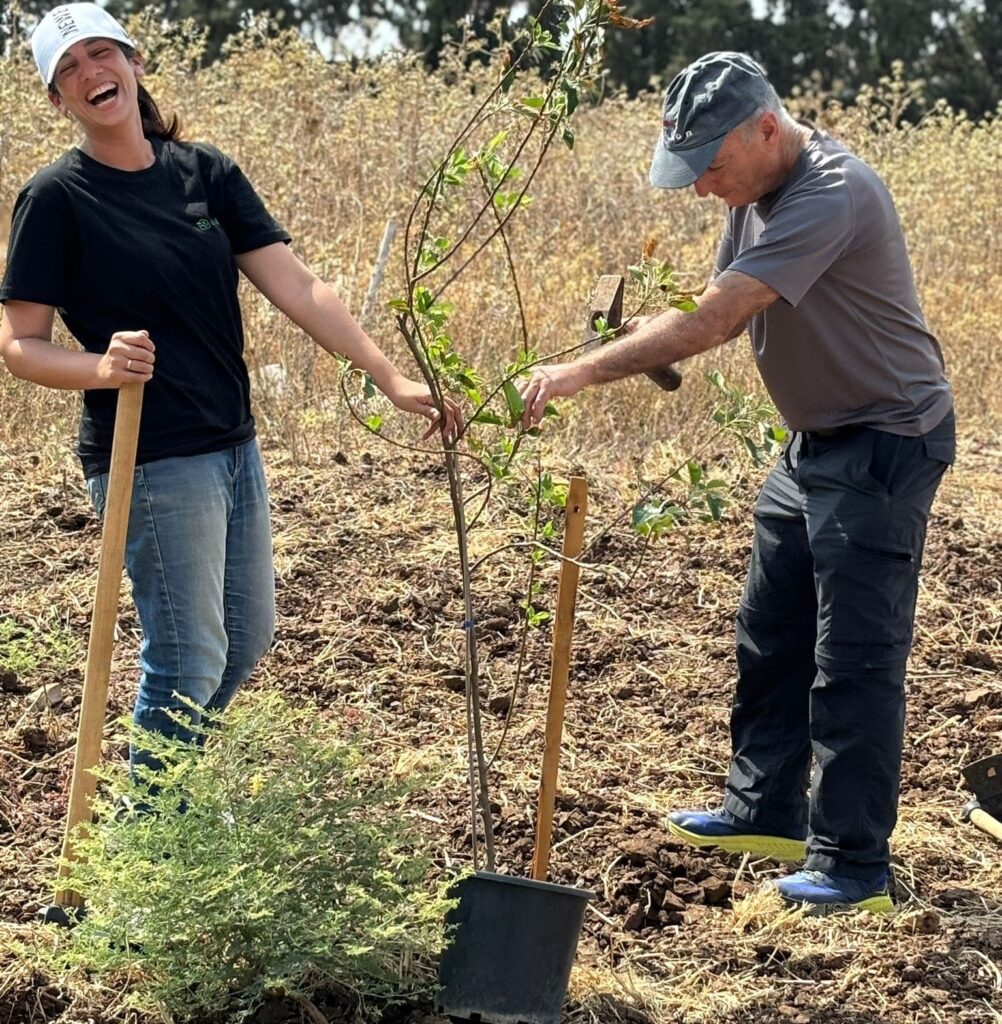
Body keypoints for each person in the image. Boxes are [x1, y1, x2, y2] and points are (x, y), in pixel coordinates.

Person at [519, 51, 954, 914]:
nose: (698, 189)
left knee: (853, 661)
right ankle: (765, 811)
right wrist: (638, 330)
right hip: (814, 444)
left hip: (885, 441)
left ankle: (853, 864)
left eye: (709, 166)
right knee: (769, 629)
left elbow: (715, 319)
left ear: (765, 127)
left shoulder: (833, 190)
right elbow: (716, 306)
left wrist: (578, 374)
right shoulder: (755, 194)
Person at [0, 3, 461, 780]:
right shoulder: (56, 199)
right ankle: (146, 863)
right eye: (67, 69)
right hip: (149, 455)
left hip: (231, 443)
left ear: (134, 62)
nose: (90, 74)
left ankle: (165, 820)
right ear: (56, 100)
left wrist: (389, 375)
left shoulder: (203, 173)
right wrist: (99, 366)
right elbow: (19, 345)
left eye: (100, 53)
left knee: (242, 641)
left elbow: (299, 286)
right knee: (187, 659)